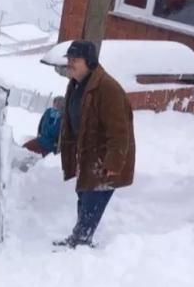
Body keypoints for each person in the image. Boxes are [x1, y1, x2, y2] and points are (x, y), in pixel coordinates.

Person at [55, 41, 135, 248]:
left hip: (104, 161)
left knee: (93, 200)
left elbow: (119, 131)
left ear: (89, 62)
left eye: (75, 60)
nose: (69, 64)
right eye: (68, 59)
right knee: (83, 197)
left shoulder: (107, 88)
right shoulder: (76, 84)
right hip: (88, 157)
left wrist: (112, 164)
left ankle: (81, 241)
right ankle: (78, 238)